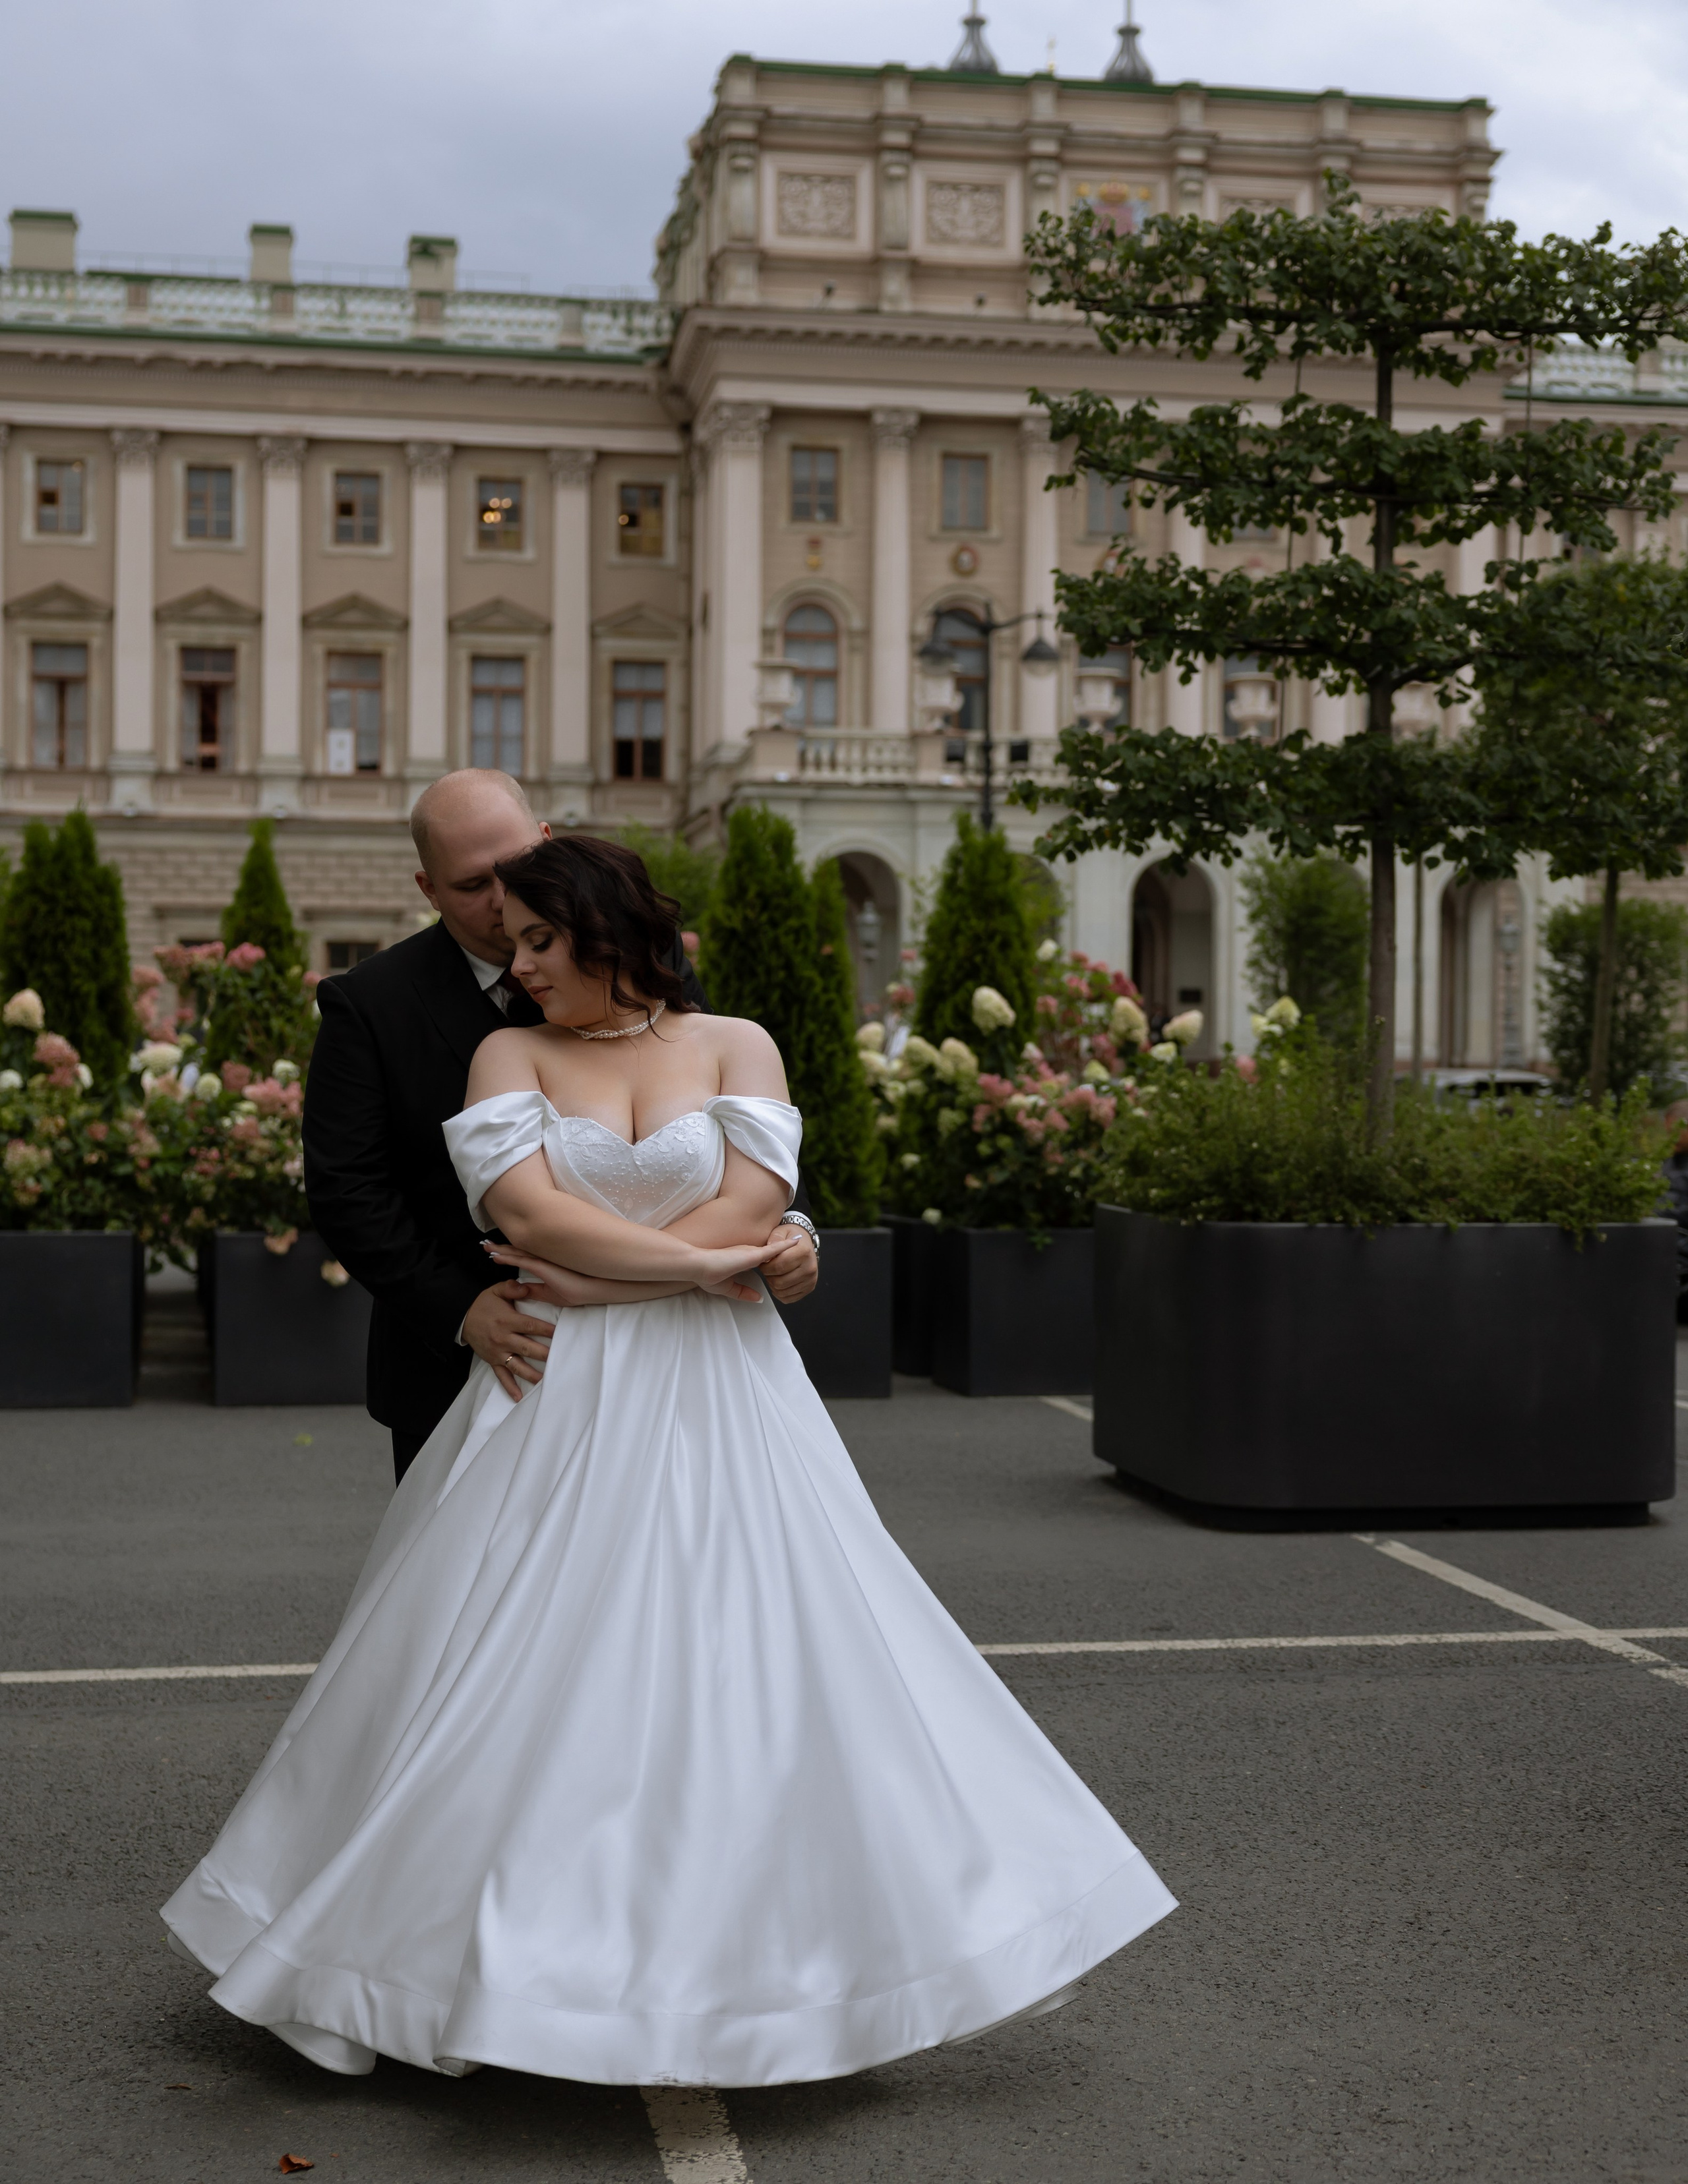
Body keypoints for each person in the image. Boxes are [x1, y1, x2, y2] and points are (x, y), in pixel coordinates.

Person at [162, 834, 1174, 2088]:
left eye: (540, 938)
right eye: (510, 937)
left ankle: (753, 1978)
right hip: (556, 1386)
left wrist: (647, 1268)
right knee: (508, 1660)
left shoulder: (736, 1040)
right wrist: (700, 1274)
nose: (518, 961)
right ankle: (468, 1963)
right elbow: (530, 1217)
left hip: (725, 1392)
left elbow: (755, 1205)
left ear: (607, 928)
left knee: (766, 1652)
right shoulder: (507, 1052)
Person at [302, 769, 818, 1481]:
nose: (498, 899)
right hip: (479, 1348)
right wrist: (461, 1310)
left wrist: (793, 1223)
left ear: (546, 842)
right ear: (427, 889)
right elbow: (347, 1188)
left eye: (514, 869)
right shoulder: (371, 1002)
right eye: (471, 885)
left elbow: (719, 1113)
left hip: (684, 1344)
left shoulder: (644, 958)